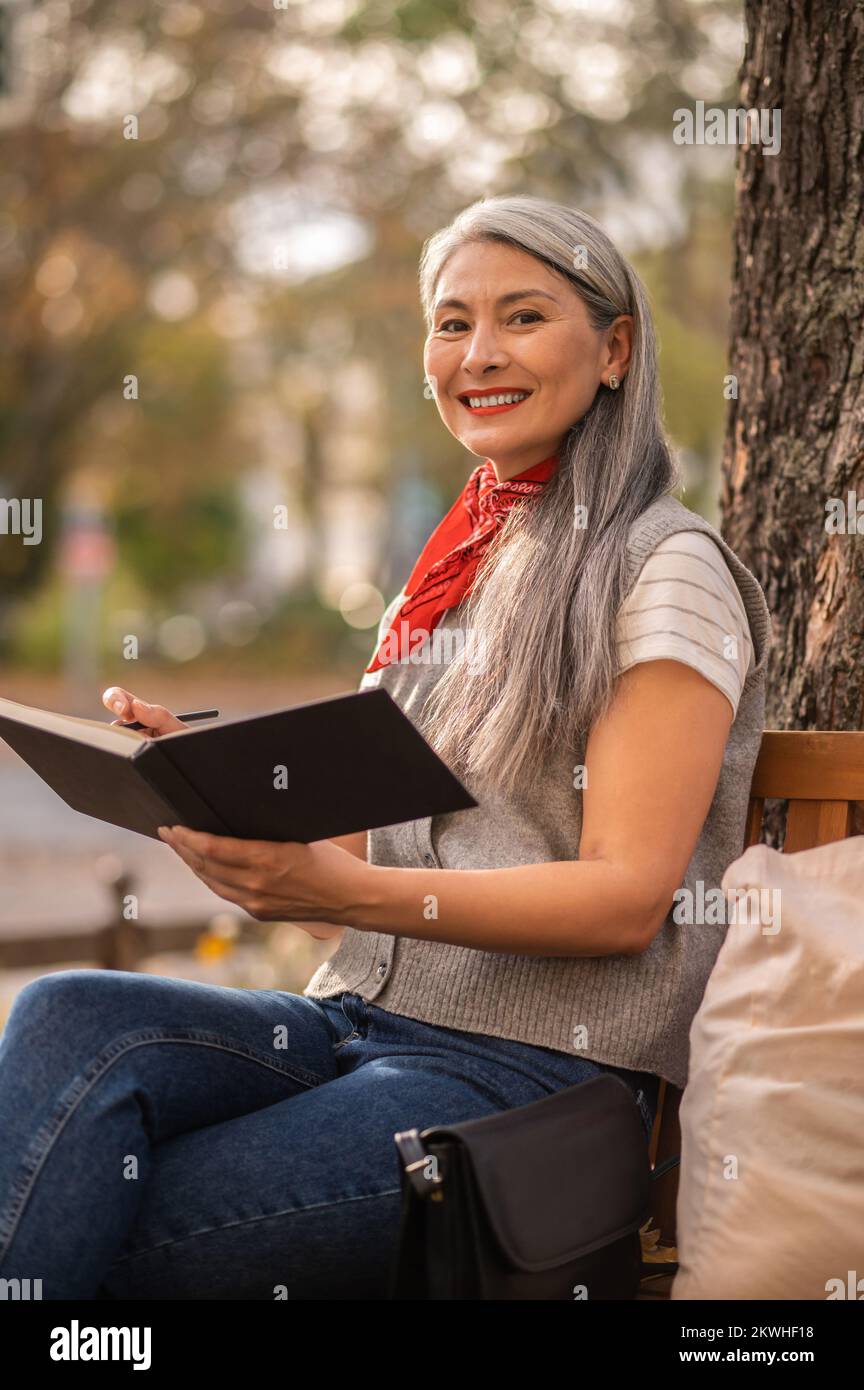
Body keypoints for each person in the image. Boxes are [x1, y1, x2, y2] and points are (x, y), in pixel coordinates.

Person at [0, 195, 771, 1300]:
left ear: (614, 348)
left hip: (533, 1080)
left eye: (522, 316)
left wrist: (350, 894)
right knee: (67, 1014)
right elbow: (359, 878)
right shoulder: (460, 561)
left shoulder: (663, 567)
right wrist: (211, 793)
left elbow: (628, 898)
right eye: (452, 323)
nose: (480, 353)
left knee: (88, 1200)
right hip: (357, 1022)